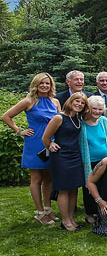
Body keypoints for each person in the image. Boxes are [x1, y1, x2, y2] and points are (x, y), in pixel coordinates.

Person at [2, 72, 60, 225]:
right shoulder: (28, 101)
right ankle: (40, 212)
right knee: (36, 178)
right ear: (36, 84)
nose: (45, 86)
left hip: (51, 141)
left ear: (51, 85)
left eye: (47, 83)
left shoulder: (55, 102)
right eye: (42, 83)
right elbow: (6, 116)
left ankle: (48, 208)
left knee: (49, 177)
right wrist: (19, 130)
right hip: (34, 142)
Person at [43, 92, 88, 231]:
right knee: (64, 189)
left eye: (82, 103)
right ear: (70, 101)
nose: (79, 104)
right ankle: (65, 221)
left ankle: (71, 219)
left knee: (74, 189)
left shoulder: (77, 119)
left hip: (75, 155)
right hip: (61, 157)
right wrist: (50, 145)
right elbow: (45, 137)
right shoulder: (59, 117)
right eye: (77, 101)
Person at [79, 96, 107, 224]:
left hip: (105, 160)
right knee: (89, 186)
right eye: (94, 109)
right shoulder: (81, 122)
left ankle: (103, 211)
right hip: (89, 161)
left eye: (100, 109)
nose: (97, 112)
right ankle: (90, 213)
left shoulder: (103, 120)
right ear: (88, 108)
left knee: (104, 186)